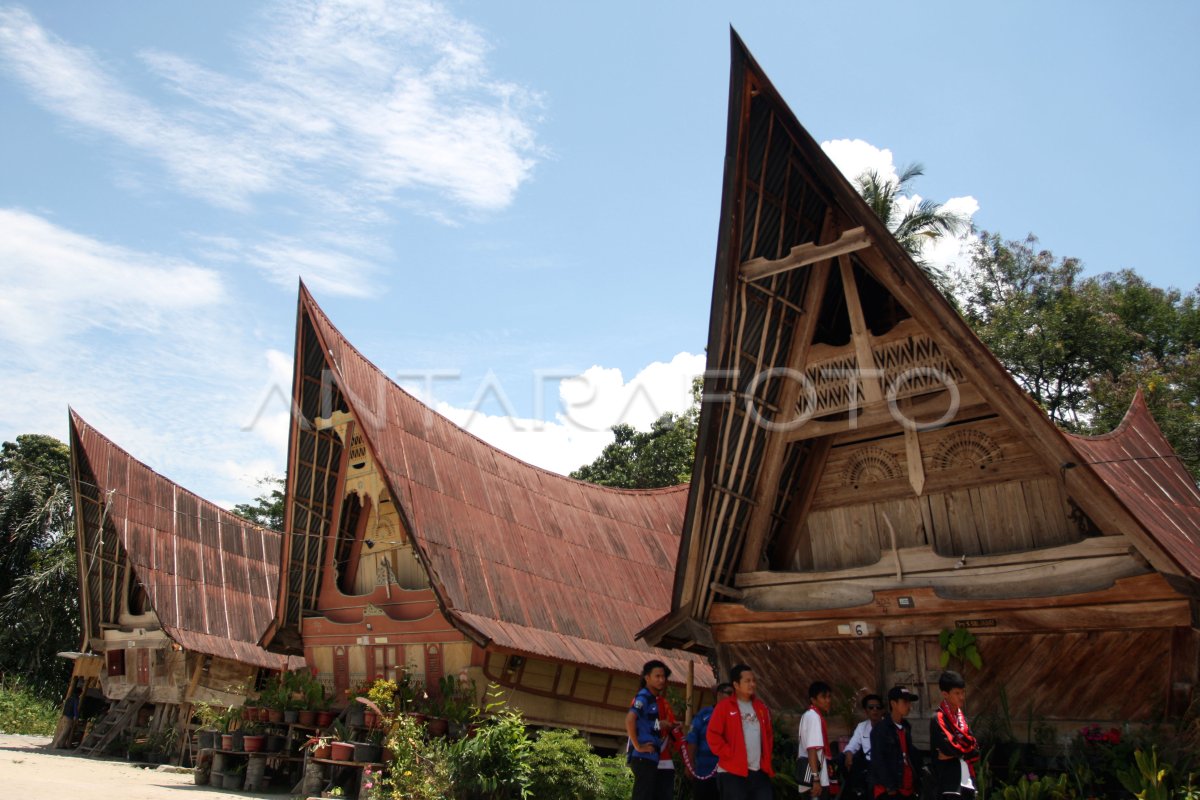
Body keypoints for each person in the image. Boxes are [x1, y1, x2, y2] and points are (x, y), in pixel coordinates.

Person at [706, 663, 775, 800]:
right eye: (747, 681)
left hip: (759, 771)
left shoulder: (761, 708)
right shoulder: (724, 707)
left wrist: (766, 758)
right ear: (736, 685)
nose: (752, 684)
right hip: (732, 772)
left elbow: (768, 736)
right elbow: (713, 735)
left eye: (753, 680)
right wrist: (730, 753)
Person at [625, 659, 679, 800]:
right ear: (647, 678)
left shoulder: (652, 699)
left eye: (663, 677)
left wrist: (661, 724)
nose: (661, 680)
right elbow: (630, 719)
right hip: (643, 757)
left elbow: (645, 724)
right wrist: (638, 746)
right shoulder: (643, 696)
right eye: (657, 676)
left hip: (650, 757)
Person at [929, 671, 979, 800]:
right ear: (945, 694)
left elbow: (975, 748)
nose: (962, 697)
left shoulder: (962, 718)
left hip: (967, 779)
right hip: (949, 782)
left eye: (963, 692)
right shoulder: (938, 718)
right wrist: (964, 749)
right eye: (957, 693)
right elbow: (948, 748)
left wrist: (958, 752)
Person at [870, 686, 923, 799]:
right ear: (893, 704)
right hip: (889, 790)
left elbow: (908, 754)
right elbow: (878, 760)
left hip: (907, 787)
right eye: (905, 702)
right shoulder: (881, 730)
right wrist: (890, 786)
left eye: (909, 702)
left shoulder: (906, 727)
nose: (909, 706)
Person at [686, 682, 733, 800]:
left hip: (728, 775)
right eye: (730, 694)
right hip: (704, 773)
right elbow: (692, 739)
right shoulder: (703, 714)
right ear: (719, 695)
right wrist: (689, 764)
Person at [844, 694, 884, 800]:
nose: (875, 710)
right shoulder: (862, 727)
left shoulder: (888, 726)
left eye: (878, 707)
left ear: (882, 710)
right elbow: (852, 745)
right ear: (866, 711)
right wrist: (849, 755)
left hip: (885, 766)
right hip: (870, 766)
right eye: (871, 707)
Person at [798, 681, 836, 796]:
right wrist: (816, 779)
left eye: (829, 697)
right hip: (814, 778)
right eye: (823, 697)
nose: (828, 700)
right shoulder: (814, 717)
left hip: (811, 776)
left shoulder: (809, 715)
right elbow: (812, 749)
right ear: (813, 700)